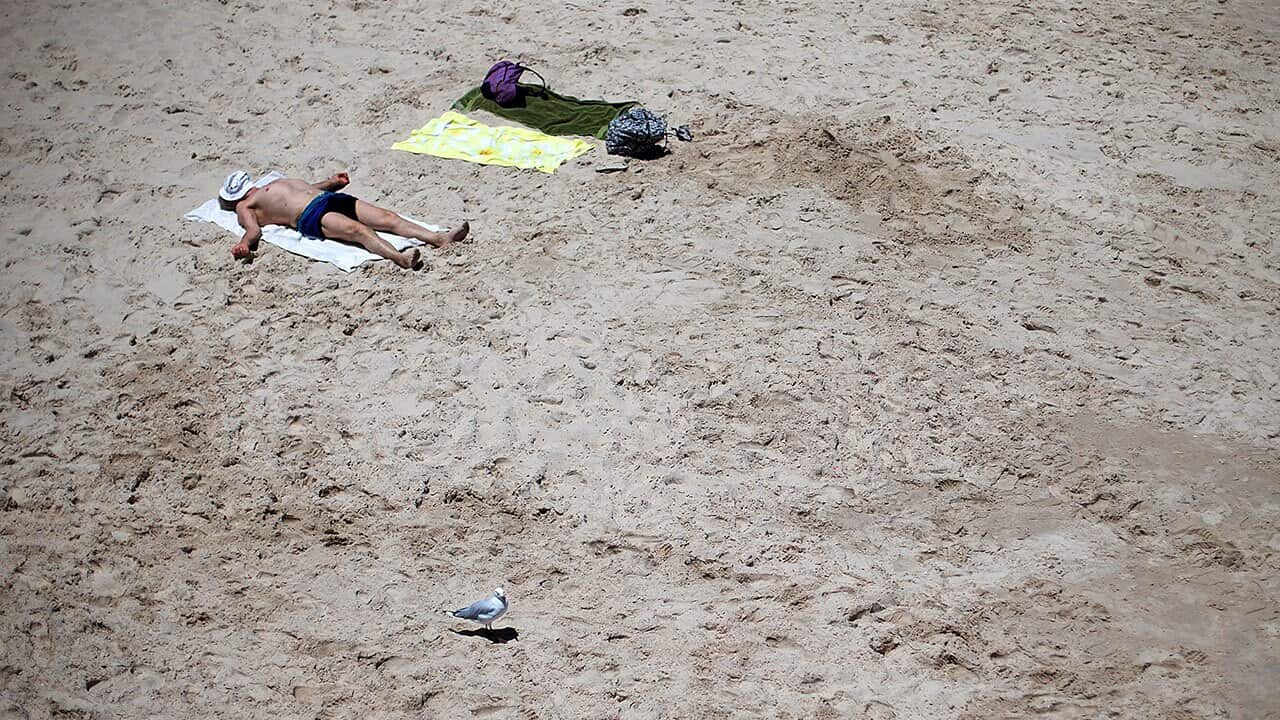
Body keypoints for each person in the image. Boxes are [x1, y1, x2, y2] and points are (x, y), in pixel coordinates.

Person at [217, 170, 469, 269]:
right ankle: (399, 258)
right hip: (309, 215)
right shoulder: (245, 205)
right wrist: (244, 245)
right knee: (357, 231)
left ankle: (440, 238)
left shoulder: (272, 183)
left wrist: (332, 183)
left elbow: (309, 187)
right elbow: (253, 231)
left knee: (388, 217)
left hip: (325, 197)